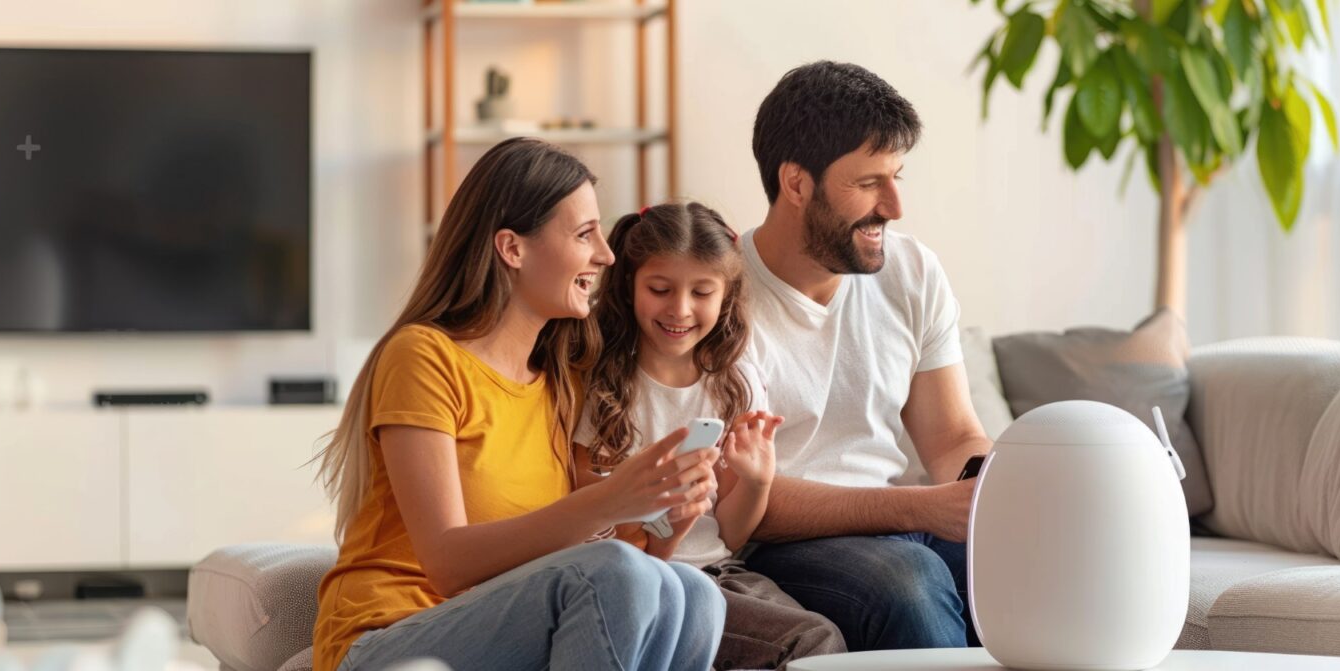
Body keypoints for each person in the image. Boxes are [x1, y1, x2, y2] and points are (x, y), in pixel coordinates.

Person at [310, 138, 725, 671]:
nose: (606, 255)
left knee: (696, 593)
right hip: (386, 637)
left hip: (503, 630)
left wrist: (667, 520)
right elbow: (448, 564)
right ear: (512, 248)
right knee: (614, 570)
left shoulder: (560, 382)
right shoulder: (423, 356)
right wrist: (607, 500)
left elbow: (623, 587)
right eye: (584, 234)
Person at [736, 61, 994, 651]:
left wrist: (992, 487)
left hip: (899, 525)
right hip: (777, 542)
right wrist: (919, 509)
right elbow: (747, 500)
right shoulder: (715, 299)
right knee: (909, 581)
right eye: (870, 182)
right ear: (796, 184)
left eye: (897, 176)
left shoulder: (912, 270)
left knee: (1026, 552)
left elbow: (953, 439)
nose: (895, 206)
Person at [574, 202, 846, 670]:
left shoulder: (736, 381)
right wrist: (666, 519)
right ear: (629, 285)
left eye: (702, 292)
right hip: (644, 577)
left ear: (726, 295)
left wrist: (756, 480)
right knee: (811, 641)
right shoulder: (601, 380)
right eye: (660, 289)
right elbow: (589, 516)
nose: (680, 309)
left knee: (826, 638)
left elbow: (731, 533)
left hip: (722, 571)